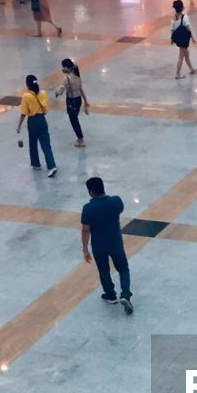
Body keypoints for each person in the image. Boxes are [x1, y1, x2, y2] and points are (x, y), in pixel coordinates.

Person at [81, 177, 133, 313]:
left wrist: (85, 249)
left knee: (104, 271)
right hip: (115, 243)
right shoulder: (116, 202)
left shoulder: (88, 209)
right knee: (123, 269)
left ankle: (110, 295)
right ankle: (126, 294)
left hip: (98, 246)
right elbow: (119, 210)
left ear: (91, 192)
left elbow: (85, 230)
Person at [15, 74, 58, 176]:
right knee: (46, 144)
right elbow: (46, 109)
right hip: (42, 119)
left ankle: (36, 164)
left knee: (33, 143)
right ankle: (52, 166)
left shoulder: (26, 96)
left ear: (27, 84)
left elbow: (23, 113)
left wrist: (19, 126)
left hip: (33, 121)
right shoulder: (43, 93)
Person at [54, 57, 89, 147]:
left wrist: (56, 92)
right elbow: (81, 90)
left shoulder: (66, 79)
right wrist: (85, 101)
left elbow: (61, 92)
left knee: (74, 120)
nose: (62, 69)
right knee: (75, 118)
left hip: (71, 101)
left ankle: (80, 139)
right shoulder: (78, 76)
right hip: (78, 100)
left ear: (68, 68)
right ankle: (80, 138)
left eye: (63, 67)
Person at [171, 0, 197, 78]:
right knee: (181, 57)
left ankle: (191, 69)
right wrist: (192, 37)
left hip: (178, 39)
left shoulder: (174, 18)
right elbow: (188, 28)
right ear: (182, 8)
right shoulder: (184, 17)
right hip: (184, 39)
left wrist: (172, 39)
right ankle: (177, 74)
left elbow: (172, 29)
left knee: (186, 54)